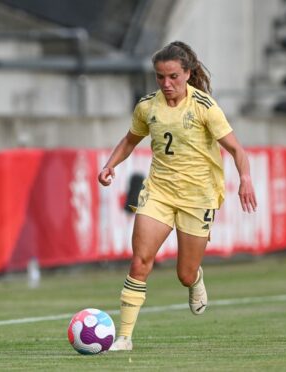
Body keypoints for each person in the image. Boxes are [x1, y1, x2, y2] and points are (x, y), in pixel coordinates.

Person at [97, 41, 257, 351]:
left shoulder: (204, 107)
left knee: (183, 273)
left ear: (188, 73)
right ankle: (124, 337)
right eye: (160, 77)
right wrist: (109, 165)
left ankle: (195, 279)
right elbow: (130, 141)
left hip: (198, 197)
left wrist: (245, 177)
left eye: (173, 76)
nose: (166, 84)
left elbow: (236, 149)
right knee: (140, 261)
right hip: (158, 191)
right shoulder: (147, 106)